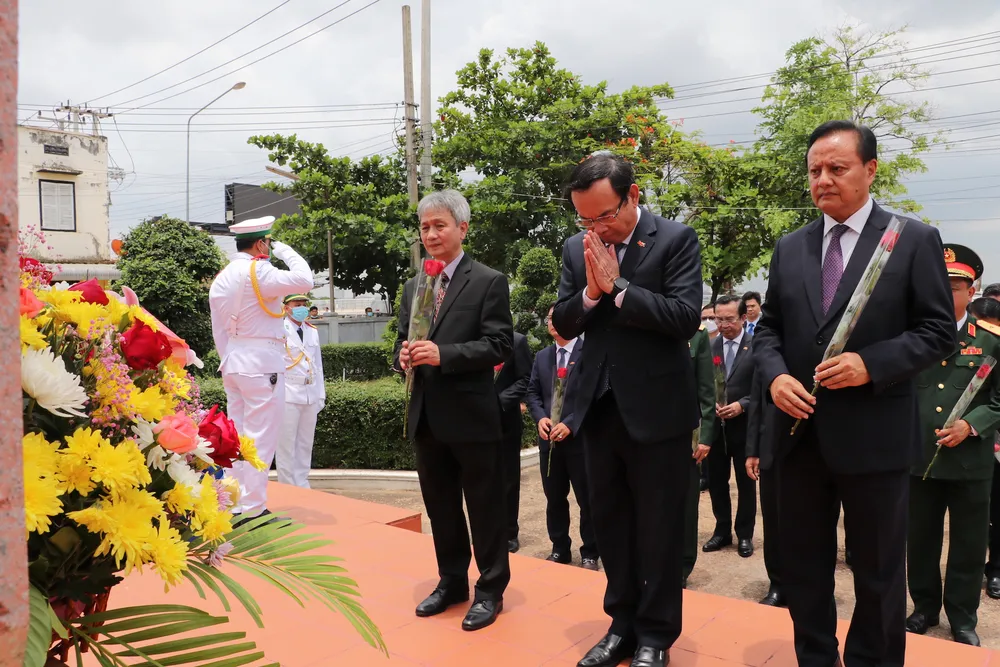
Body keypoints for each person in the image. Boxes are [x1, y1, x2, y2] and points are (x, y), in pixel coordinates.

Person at [752, 120, 955, 667]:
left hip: (874, 435)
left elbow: (939, 331)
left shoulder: (911, 239)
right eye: (814, 170)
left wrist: (872, 363)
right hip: (797, 436)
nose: (823, 179)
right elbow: (768, 330)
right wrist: (775, 377)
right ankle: (816, 657)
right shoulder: (790, 247)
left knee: (879, 571)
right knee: (803, 567)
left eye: (836, 168)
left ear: (870, 169)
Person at [552, 153, 702, 667]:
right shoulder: (575, 249)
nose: (596, 229)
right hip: (597, 407)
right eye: (585, 219)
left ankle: (656, 635)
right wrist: (591, 294)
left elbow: (684, 318)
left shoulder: (676, 240)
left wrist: (618, 288)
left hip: (658, 411)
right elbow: (564, 322)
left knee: (659, 528)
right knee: (610, 524)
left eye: (604, 216)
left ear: (633, 195)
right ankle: (620, 625)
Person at [393, 189, 513, 632]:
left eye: (439, 225)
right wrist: (402, 357)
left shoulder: (487, 281)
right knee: (441, 507)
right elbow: (402, 340)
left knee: (484, 508)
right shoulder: (414, 286)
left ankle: (491, 589)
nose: (430, 234)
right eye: (424, 227)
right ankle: (452, 582)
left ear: (462, 228)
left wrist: (444, 354)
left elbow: (499, 344)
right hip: (427, 416)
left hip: (472, 417)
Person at [906, 245, 1000, 647]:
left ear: (971, 291)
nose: (945, 294)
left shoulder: (991, 342)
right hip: (920, 459)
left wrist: (971, 425)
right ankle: (924, 608)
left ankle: (962, 617)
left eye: (955, 287)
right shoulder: (912, 338)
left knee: (968, 543)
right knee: (920, 540)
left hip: (969, 462)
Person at [208, 216, 314, 521]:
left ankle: (236, 504)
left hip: (234, 361)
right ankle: (254, 509)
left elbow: (219, 329)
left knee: (238, 436)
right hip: (261, 363)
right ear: (260, 244)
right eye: (267, 243)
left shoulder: (223, 277)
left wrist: (229, 358)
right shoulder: (261, 272)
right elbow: (305, 279)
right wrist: (285, 250)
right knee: (260, 438)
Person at [526, 306, 598, 570]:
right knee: (554, 498)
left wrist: (570, 423)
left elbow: (593, 396)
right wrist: (540, 418)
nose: (552, 323)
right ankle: (559, 548)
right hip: (550, 443)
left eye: (557, 318)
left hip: (580, 441)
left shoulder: (589, 353)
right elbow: (532, 393)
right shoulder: (543, 356)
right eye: (549, 319)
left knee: (587, 499)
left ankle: (591, 552)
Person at [703, 295, 756, 558]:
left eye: (729, 319)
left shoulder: (756, 347)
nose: (723, 325)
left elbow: (764, 388)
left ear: (743, 318)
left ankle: (744, 534)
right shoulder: (710, 346)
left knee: (746, 483)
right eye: (718, 319)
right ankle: (722, 530)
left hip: (745, 427)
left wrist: (742, 404)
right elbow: (701, 384)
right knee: (717, 482)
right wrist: (709, 403)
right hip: (717, 428)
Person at [276, 294, 325, 489]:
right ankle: (288, 487)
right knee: (286, 445)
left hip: (310, 392)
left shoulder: (312, 331)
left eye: (304, 304)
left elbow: (318, 365)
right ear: (286, 308)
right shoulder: (279, 329)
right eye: (297, 305)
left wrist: (320, 394)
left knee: (305, 444)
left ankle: (303, 485)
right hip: (288, 392)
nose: (302, 308)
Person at [745, 371, 784, 607]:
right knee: (774, 520)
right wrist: (753, 450)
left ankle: (812, 585)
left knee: (814, 522)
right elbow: (757, 403)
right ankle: (777, 583)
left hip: (815, 447)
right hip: (772, 446)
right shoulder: (769, 354)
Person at [683, 319, 715, 587]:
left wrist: (705, 437)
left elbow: (706, 390)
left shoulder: (697, 335)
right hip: (649, 432)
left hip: (687, 434)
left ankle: (681, 565)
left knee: (684, 502)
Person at [494, 331, 533, 553]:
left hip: (506, 420)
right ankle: (487, 531)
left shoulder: (517, 341)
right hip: (477, 422)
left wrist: (498, 400)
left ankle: (510, 532)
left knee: (508, 478)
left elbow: (526, 379)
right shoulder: (474, 339)